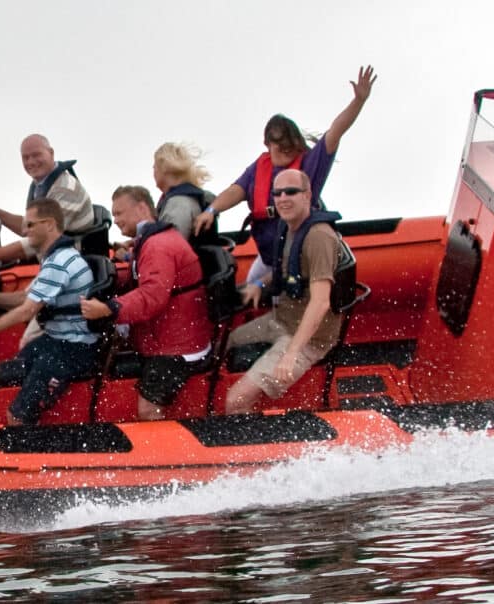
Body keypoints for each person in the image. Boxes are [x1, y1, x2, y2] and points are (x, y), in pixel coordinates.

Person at [193, 65, 376, 280]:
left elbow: (336, 131)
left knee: (262, 286)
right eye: (280, 147)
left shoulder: (309, 164)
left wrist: (358, 101)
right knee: (249, 285)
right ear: (267, 144)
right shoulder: (259, 168)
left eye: (289, 146)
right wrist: (211, 210)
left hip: (298, 256)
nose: (286, 151)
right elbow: (236, 190)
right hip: (268, 258)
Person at [0, 199, 98, 425]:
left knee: (16, 417)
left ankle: (28, 431)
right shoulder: (55, 257)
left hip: (73, 349)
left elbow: (26, 311)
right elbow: (24, 298)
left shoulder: (59, 263)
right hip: (56, 340)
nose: (24, 230)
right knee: (12, 371)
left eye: (30, 225)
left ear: (49, 224)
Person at [80, 185, 212, 420]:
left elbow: (152, 296)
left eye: (119, 213)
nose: (115, 220)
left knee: (148, 409)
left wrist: (109, 309)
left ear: (141, 208)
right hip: (165, 341)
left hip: (178, 349)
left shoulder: (157, 245)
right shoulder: (150, 242)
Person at [225, 169, 344, 414]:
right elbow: (288, 269)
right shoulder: (289, 227)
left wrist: (291, 354)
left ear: (307, 195)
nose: (282, 199)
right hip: (281, 320)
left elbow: (321, 302)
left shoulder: (319, 237)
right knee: (225, 342)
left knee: (236, 401)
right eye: (277, 193)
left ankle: (253, 437)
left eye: (291, 192)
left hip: (308, 339)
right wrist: (259, 284)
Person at [0, 134, 94, 264]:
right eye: (25, 158)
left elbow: (41, 239)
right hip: (53, 258)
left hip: (72, 264)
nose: (31, 162)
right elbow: (29, 228)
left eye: (36, 155)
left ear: (51, 153)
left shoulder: (65, 189)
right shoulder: (40, 185)